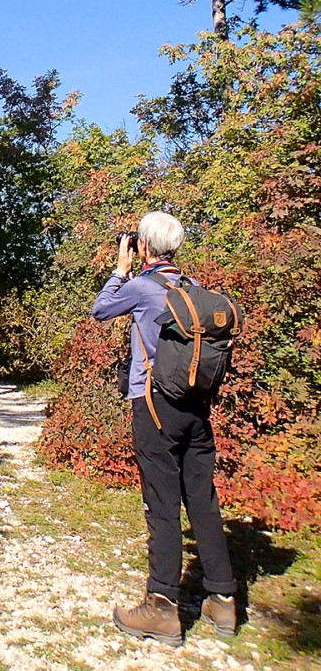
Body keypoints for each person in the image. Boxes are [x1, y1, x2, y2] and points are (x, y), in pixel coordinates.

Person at [92, 210, 237, 646]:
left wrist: (119, 270)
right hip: (195, 406)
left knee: (161, 502)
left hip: (154, 404)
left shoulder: (142, 286)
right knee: (202, 499)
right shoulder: (191, 290)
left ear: (144, 246)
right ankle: (223, 599)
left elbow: (101, 310)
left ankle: (161, 607)